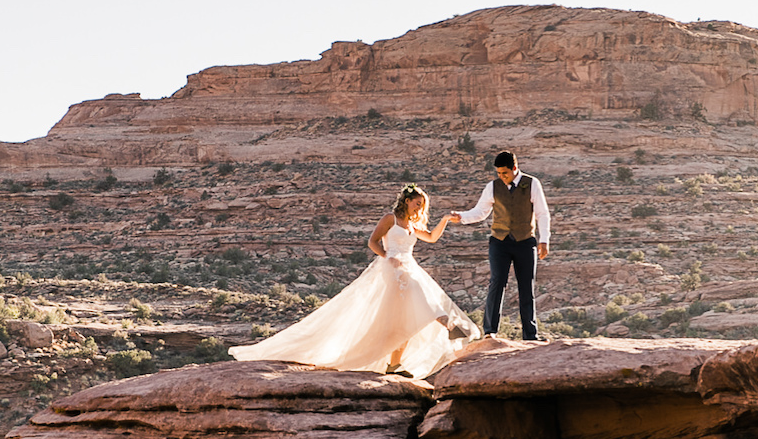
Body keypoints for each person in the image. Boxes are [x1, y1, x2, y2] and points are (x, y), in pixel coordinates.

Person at [230, 184, 484, 379]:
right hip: (393, 269)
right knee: (419, 297)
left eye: (422, 205)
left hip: (410, 267)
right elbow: (372, 242)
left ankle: (395, 364)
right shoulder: (391, 219)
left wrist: (444, 221)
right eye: (417, 204)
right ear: (407, 201)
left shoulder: (412, 223)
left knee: (404, 319)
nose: (419, 208)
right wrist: (388, 258)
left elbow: (430, 238)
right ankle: (448, 324)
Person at [444, 149, 553, 341]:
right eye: (499, 173)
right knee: (497, 283)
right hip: (500, 242)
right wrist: (461, 217)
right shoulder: (492, 187)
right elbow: (480, 212)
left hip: (525, 242)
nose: (501, 177)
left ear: (515, 169)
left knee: (526, 287)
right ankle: (490, 331)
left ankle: (530, 334)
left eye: (505, 173)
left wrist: (544, 239)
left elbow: (542, 213)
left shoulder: (532, 184)